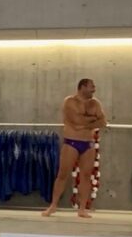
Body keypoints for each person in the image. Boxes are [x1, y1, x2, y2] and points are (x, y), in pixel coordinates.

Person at [43, 78, 107, 218]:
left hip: (88, 143)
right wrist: (92, 119)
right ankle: (53, 206)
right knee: (62, 174)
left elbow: (103, 122)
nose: (94, 89)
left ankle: (82, 209)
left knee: (86, 176)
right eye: (91, 86)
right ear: (82, 87)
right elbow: (75, 121)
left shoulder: (95, 103)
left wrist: (84, 123)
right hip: (71, 142)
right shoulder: (70, 101)